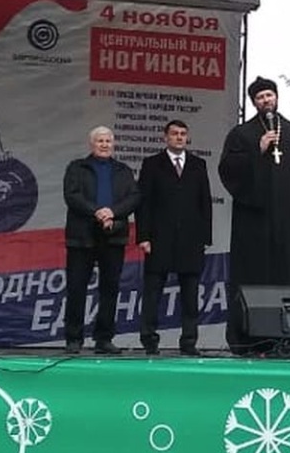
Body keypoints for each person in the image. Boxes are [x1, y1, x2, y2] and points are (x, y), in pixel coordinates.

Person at [219, 77, 290, 293]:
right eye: (260, 97)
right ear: (254, 102)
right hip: (254, 223)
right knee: (255, 282)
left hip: (289, 224)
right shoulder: (241, 134)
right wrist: (257, 150)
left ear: (276, 97)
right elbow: (228, 171)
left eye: (269, 95)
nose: (266, 100)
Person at [135, 119, 213, 355]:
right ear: (166, 137)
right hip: (159, 238)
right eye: (175, 133)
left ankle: (189, 342)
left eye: (183, 134)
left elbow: (205, 202)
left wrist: (205, 237)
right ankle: (149, 340)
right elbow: (143, 203)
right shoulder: (152, 164)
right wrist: (143, 236)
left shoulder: (198, 164)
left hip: (190, 240)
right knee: (153, 293)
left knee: (190, 295)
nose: (179, 137)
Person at [62, 126, 141, 354]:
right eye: (100, 141)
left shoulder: (123, 170)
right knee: (76, 287)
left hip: (113, 235)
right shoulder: (77, 168)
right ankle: (74, 338)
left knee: (110, 288)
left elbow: (134, 197)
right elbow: (72, 195)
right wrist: (97, 212)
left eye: (108, 141)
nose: (104, 145)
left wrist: (112, 213)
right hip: (82, 236)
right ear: (92, 144)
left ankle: (104, 339)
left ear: (113, 144)